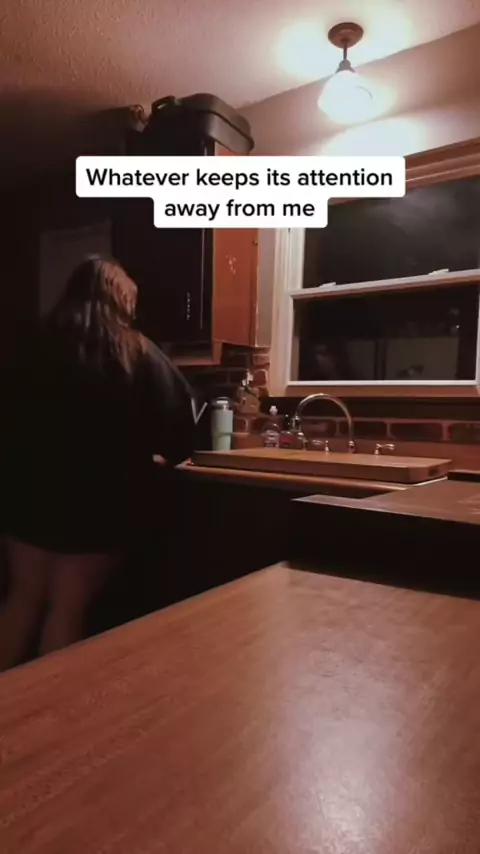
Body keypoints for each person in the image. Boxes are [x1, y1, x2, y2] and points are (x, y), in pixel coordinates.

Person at [0, 256, 195, 670]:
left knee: (23, 599)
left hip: (27, 494)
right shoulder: (136, 350)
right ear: (121, 299)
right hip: (97, 501)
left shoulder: (31, 343)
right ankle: (52, 705)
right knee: (68, 608)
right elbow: (179, 429)